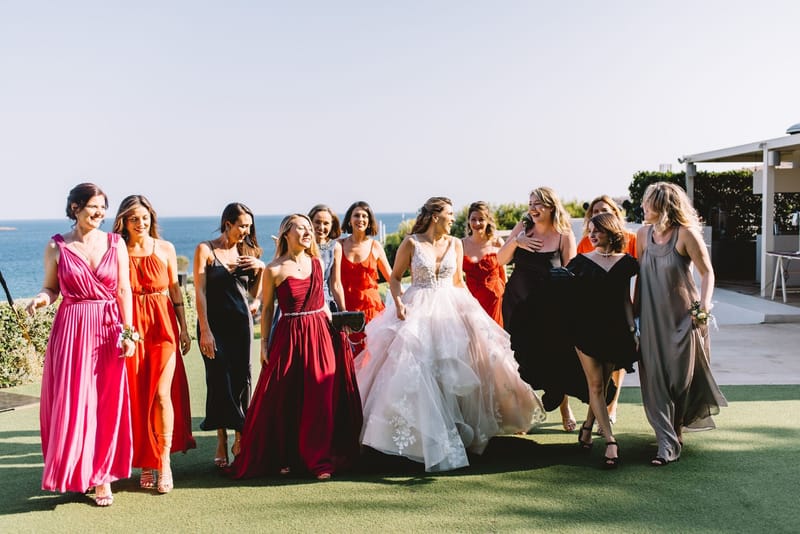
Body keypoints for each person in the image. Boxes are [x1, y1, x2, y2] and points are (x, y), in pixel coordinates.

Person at [356, 197, 545, 472]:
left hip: (450, 308)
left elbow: (458, 282)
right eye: (449, 214)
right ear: (435, 216)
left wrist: (471, 314)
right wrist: (397, 303)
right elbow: (395, 277)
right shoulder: (411, 243)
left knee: (454, 369)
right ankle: (425, 437)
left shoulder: (455, 244)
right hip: (417, 307)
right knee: (417, 367)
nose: (453, 219)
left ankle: (458, 430)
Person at [227, 214, 362, 480]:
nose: (308, 232)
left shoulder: (316, 263)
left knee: (321, 398)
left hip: (320, 335)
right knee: (286, 398)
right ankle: (286, 456)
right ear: (286, 234)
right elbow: (266, 310)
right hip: (289, 336)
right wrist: (264, 344)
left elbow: (323, 302)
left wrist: (339, 327)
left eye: (309, 228)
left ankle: (319, 460)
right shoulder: (274, 269)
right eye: (301, 228)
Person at [26, 183, 134, 507]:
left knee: (105, 403)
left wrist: (128, 334)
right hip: (71, 331)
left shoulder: (116, 243)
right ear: (75, 207)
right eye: (93, 206)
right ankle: (78, 471)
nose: (100, 213)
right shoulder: (57, 246)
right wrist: (41, 299)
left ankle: (102, 477)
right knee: (76, 404)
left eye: (103, 207)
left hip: (107, 329)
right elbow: (51, 287)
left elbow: (124, 290)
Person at [636, 182, 727, 466]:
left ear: (663, 206)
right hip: (651, 318)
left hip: (684, 318)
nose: (642, 207)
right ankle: (666, 442)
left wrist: (704, 307)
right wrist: (634, 315)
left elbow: (707, 273)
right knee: (654, 379)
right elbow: (640, 276)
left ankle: (675, 429)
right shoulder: (641, 235)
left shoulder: (685, 235)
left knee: (681, 379)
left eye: (647, 202)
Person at [113, 195, 196, 494]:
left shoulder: (165, 248)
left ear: (152, 218)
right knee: (138, 395)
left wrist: (184, 328)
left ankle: (163, 461)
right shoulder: (117, 250)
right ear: (124, 221)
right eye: (134, 218)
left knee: (162, 394)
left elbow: (176, 291)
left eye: (145, 217)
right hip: (133, 329)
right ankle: (145, 461)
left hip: (163, 327)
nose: (141, 223)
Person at [498, 186, 583, 431]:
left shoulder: (563, 235)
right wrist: (517, 241)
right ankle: (524, 415)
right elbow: (500, 260)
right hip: (517, 303)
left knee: (554, 354)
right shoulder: (522, 228)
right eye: (531, 204)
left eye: (539, 204)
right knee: (520, 358)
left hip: (549, 307)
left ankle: (564, 406)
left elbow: (571, 273)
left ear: (551, 207)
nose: (533, 209)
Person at [193, 202, 265, 468]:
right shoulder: (206, 249)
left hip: (241, 325)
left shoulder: (250, 251)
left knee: (241, 378)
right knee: (218, 379)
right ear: (227, 224)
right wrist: (205, 330)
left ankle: (240, 435)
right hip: (213, 326)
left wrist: (260, 267)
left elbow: (254, 295)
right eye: (242, 225)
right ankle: (221, 438)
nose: (246, 231)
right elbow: (199, 291)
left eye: (248, 226)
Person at [567, 212, 639, 469]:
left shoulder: (627, 262)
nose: (592, 234)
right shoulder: (580, 262)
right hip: (585, 329)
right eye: (590, 230)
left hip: (615, 331)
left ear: (611, 231)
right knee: (596, 385)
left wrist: (633, 330)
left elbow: (625, 300)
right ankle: (610, 441)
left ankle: (588, 426)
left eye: (597, 230)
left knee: (603, 386)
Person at [576, 195, 637, 428]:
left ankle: (611, 409)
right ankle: (592, 425)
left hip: (619, 316)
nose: (597, 214)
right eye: (594, 212)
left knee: (614, 370)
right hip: (592, 321)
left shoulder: (630, 241)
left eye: (603, 211)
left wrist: (633, 322)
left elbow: (630, 281)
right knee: (596, 381)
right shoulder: (585, 245)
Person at [338, 201, 392, 354]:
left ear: (369, 221)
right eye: (356, 215)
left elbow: (392, 278)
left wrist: (404, 302)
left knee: (372, 359)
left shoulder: (375, 246)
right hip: (346, 312)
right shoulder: (338, 245)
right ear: (349, 219)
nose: (360, 219)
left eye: (364, 216)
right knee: (347, 359)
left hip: (372, 313)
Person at [461, 201, 507, 326]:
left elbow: (503, 275)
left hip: (493, 300)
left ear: (488, 221)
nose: (477, 223)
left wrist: (501, 295)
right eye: (473, 219)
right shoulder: (461, 245)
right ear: (468, 221)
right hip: (470, 300)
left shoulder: (497, 243)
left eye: (481, 219)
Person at [308, 204, 347, 311]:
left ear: (332, 225)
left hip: (324, 303)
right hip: (302, 302)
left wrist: (343, 311)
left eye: (326, 223)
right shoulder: (301, 245)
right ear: (309, 222)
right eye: (317, 222)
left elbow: (336, 284)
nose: (321, 227)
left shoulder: (335, 247)